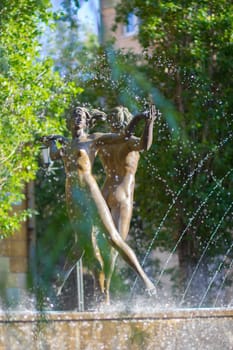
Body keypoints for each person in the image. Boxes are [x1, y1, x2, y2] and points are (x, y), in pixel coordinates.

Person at [42, 107, 155, 303]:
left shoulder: (93, 139)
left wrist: (139, 118)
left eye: (82, 116)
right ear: (68, 121)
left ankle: (145, 280)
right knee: (82, 243)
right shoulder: (68, 145)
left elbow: (124, 135)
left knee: (113, 238)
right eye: (74, 116)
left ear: (87, 122)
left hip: (91, 191)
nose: (77, 119)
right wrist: (52, 141)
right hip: (73, 195)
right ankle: (61, 286)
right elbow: (53, 155)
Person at [96, 105, 157, 302]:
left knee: (105, 247)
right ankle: (141, 282)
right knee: (115, 246)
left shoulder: (104, 141)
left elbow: (143, 144)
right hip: (121, 194)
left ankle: (104, 295)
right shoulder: (123, 141)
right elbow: (145, 145)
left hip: (105, 192)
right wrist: (149, 123)